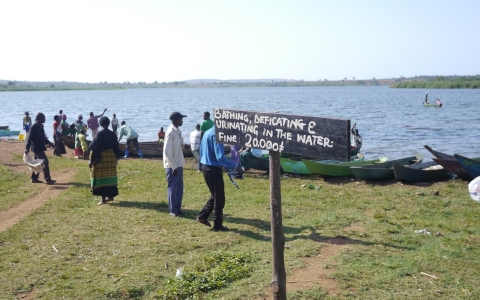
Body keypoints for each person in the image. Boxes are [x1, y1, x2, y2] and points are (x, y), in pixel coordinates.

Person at [196, 127, 244, 232]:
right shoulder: (217, 135)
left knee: (215, 195)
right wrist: (236, 167)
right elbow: (220, 158)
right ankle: (217, 225)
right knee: (219, 198)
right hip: (213, 169)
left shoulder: (208, 131)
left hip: (206, 166)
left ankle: (202, 216)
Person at [89, 116, 120, 205]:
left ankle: (103, 199)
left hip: (102, 158)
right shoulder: (113, 134)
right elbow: (116, 147)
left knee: (101, 178)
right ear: (109, 123)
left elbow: (96, 148)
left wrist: (93, 160)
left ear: (100, 124)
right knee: (110, 178)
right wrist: (116, 158)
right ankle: (110, 196)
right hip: (111, 157)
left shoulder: (100, 134)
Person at [163, 112, 188, 217]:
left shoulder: (177, 131)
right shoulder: (170, 132)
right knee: (173, 188)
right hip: (172, 166)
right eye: (181, 119)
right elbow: (167, 151)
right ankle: (173, 210)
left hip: (178, 163)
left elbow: (177, 146)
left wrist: (184, 146)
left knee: (179, 188)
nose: (182, 121)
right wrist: (173, 166)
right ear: (176, 120)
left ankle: (178, 208)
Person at [24, 112, 56, 184]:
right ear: (39, 118)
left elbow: (43, 137)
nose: (45, 119)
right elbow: (29, 138)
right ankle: (47, 179)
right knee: (45, 161)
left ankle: (34, 178)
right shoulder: (34, 126)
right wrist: (27, 148)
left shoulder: (41, 126)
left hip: (41, 147)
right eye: (43, 118)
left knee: (37, 163)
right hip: (36, 148)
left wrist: (50, 143)